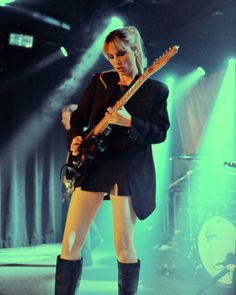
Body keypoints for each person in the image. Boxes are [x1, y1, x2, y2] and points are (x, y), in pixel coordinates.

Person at [54, 26, 170, 295]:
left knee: (123, 245)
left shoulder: (156, 89)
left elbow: (160, 132)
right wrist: (75, 138)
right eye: (110, 57)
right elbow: (78, 119)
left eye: (121, 54)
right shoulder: (101, 81)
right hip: (95, 164)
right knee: (70, 242)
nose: (116, 61)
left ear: (135, 51)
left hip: (129, 167)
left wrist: (132, 123)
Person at [60, 104, 103, 267]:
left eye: (65, 117)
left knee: (80, 216)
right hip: (76, 176)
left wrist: (71, 177)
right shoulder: (72, 134)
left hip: (83, 177)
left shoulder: (82, 133)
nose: (62, 120)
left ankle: (86, 253)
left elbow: (80, 156)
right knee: (81, 216)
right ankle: (95, 241)